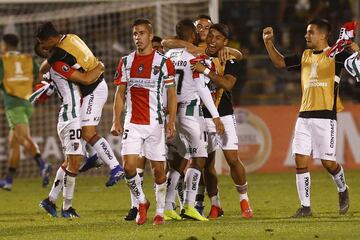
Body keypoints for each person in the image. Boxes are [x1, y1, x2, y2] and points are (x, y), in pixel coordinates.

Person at [263, 18, 351, 217]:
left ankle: (342, 188)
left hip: (325, 117)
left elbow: (356, 61)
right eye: (306, 32)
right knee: (300, 160)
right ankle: (305, 207)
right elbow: (279, 62)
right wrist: (268, 42)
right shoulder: (304, 56)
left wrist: (352, 45)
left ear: (323, 35)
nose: (306, 35)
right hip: (303, 116)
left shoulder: (336, 55)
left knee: (328, 163)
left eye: (310, 32)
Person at [36, 22, 124, 187]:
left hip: (94, 88)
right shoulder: (72, 37)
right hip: (94, 85)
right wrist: (99, 67)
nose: (44, 48)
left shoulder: (59, 52)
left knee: (88, 131)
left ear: (50, 39)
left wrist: (99, 69)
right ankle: (93, 158)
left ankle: (115, 167)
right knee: (83, 130)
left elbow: (43, 69)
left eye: (43, 43)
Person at [111, 19, 177, 225]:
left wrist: (171, 122)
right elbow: (120, 93)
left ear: (150, 35)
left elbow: (172, 95)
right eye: (134, 34)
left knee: (158, 171)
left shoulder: (163, 63)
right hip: (133, 123)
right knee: (129, 167)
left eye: (141, 33)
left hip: (155, 124)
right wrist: (116, 120)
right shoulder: (126, 61)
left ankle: (159, 211)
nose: (137, 37)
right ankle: (142, 201)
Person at [33, 42, 104, 218]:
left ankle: (50, 200)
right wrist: (100, 66)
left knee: (70, 161)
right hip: (70, 117)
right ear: (47, 51)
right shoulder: (58, 65)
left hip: (73, 116)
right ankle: (67, 208)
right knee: (74, 162)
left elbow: (46, 90)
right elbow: (86, 78)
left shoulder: (53, 68)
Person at [164, 19, 224, 221]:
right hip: (190, 112)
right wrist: (216, 117)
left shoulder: (167, 56)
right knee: (199, 158)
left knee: (177, 161)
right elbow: (201, 88)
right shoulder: (196, 56)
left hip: (170, 113)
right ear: (191, 36)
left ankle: (168, 206)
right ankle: (189, 206)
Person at [191, 23, 253, 219]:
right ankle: (215, 205)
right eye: (210, 36)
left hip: (224, 115)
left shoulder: (229, 59)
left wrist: (206, 71)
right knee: (206, 163)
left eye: (218, 38)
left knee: (232, 159)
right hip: (201, 116)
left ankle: (244, 201)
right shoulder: (198, 56)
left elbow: (227, 84)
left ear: (225, 42)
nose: (212, 40)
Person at [0, 34, 51, 191]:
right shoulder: (28, 59)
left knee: (22, 138)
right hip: (28, 103)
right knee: (13, 143)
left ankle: (42, 165)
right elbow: (39, 77)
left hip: (13, 104)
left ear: (5, 46)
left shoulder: (2, 60)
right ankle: (8, 179)